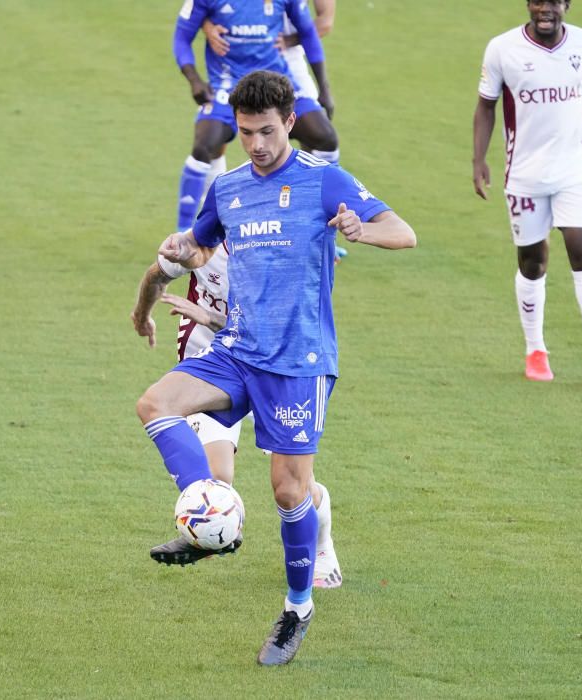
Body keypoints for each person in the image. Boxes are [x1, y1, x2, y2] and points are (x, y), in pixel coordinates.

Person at [136, 70, 416, 666]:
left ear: (290, 122)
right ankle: (210, 506)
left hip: (298, 362)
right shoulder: (229, 187)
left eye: (266, 131)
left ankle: (296, 609)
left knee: (290, 490)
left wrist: (361, 230)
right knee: (155, 404)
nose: (256, 145)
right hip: (238, 349)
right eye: (245, 133)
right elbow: (202, 244)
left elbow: (404, 231)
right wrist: (183, 249)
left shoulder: (322, 180)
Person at [131, 248, 343, 589]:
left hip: (270, 366)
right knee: (216, 478)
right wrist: (142, 315)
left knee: (295, 486)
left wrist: (209, 317)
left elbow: (268, 328)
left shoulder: (276, 251)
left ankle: (321, 547)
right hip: (211, 362)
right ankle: (214, 526)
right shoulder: (199, 241)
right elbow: (156, 273)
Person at [472, 0, 582, 384]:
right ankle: (535, 350)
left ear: (566, 6)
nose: (545, 10)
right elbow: (486, 106)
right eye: (538, 2)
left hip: (574, 169)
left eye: (553, 2)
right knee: (533, 262)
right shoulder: (502, 49)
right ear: (528, 5)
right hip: (524, 176)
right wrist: (479, 160)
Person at [173, 0, 339, 231]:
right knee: (205, 145)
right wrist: (194, 80)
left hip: (277, 81)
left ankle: (319, 230)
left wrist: (324, 88)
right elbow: (182, 36)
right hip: (227, 84)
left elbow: (316, 27)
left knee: (324, 137)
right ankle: (184, 235)